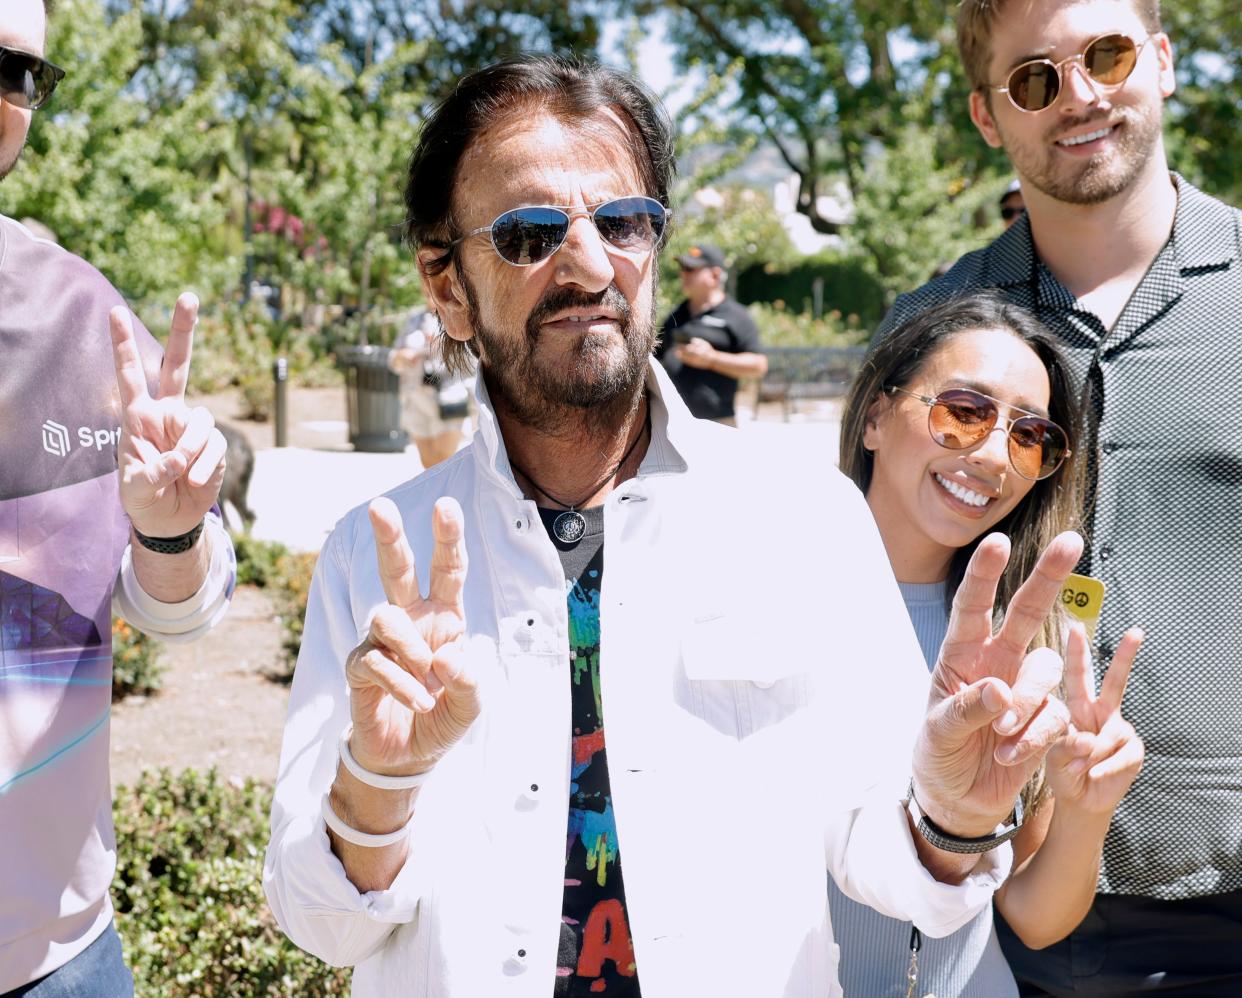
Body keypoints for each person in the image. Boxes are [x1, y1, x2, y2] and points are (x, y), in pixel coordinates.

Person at [264, 55, 1086, 997]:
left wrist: (954, 816)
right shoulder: (375, 560)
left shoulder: (802, 519)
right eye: (530, 233)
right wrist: (376, 784)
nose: (588, 264)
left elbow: (896, 868)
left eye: (623, 222)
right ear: (447, 285)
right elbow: (320, 925)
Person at [877, 0, 1242, 991]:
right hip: (1020, 903)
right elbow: (870, 591)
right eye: (1033, 78)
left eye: (1108, 54)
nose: (1077, 94)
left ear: (1162, 61)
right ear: (989, 116)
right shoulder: (930, 330)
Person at [0, 2, 235, 993]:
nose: (0, 96)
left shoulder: (81, 314)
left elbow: (180, 601)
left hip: (50, 952)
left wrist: (172, 527)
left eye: (20, 74)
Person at [836, 293, 1144, 997]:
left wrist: (1085, 810)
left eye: (1030, 435)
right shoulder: (754, 602)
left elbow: (1034, 920)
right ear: (877, 416)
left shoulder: (1033, 644)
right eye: (964, 411)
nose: (992, 454)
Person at [653, 243, 767, 424]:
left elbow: (758, 366)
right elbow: (655, 357)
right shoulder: (677, 314)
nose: (683, 274)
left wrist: (712, 359)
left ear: (714, 275)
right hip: (674, 420)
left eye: (691, 269)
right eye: (682, 268)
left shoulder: (736, 316)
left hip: (718, 421)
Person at [387, 307, 472, 470]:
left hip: (448, 398)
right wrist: (402, 357)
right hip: (416, 399)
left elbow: (472, 357)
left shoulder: (457, 311)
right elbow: (393, 358)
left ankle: (448, 495)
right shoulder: (414, 318)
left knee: (444, 464)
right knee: (428, 465)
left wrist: (441, 345)